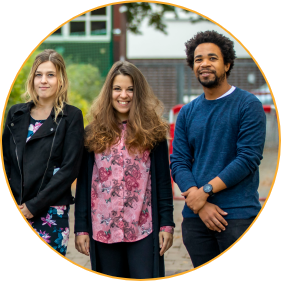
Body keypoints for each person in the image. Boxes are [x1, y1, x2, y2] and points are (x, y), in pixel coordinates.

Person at [170, 30, 266, 268]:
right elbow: (179, 160)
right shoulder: (187, 112)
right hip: (195, 219)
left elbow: (248, 158)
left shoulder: (248, 105)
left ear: (227, 64)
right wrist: (198, 201)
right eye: (198, 59)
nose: (204, 64)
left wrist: (205, 192)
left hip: (237, 216)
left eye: (212, 58)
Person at [74, 61, 175, 278]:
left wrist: (166, 224)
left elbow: (163, 182)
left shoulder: (154, 132)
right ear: (109, 92)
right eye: (117, 89)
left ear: (138, 93)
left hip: (143, 229)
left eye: (130, 89)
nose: (124, 95)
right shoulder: (92, 132)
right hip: (103, 230)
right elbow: (84, 184)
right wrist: (81, 228)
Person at [2, 49, 84, 255]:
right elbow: (7, 161)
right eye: (39, 74)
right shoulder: (16, 114)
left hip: (51, 212)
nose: (43, 81)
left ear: (61, 79)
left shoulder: (71, 116)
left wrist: (34, 205)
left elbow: (70, 169)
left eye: (50, 75)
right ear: (32, 79)